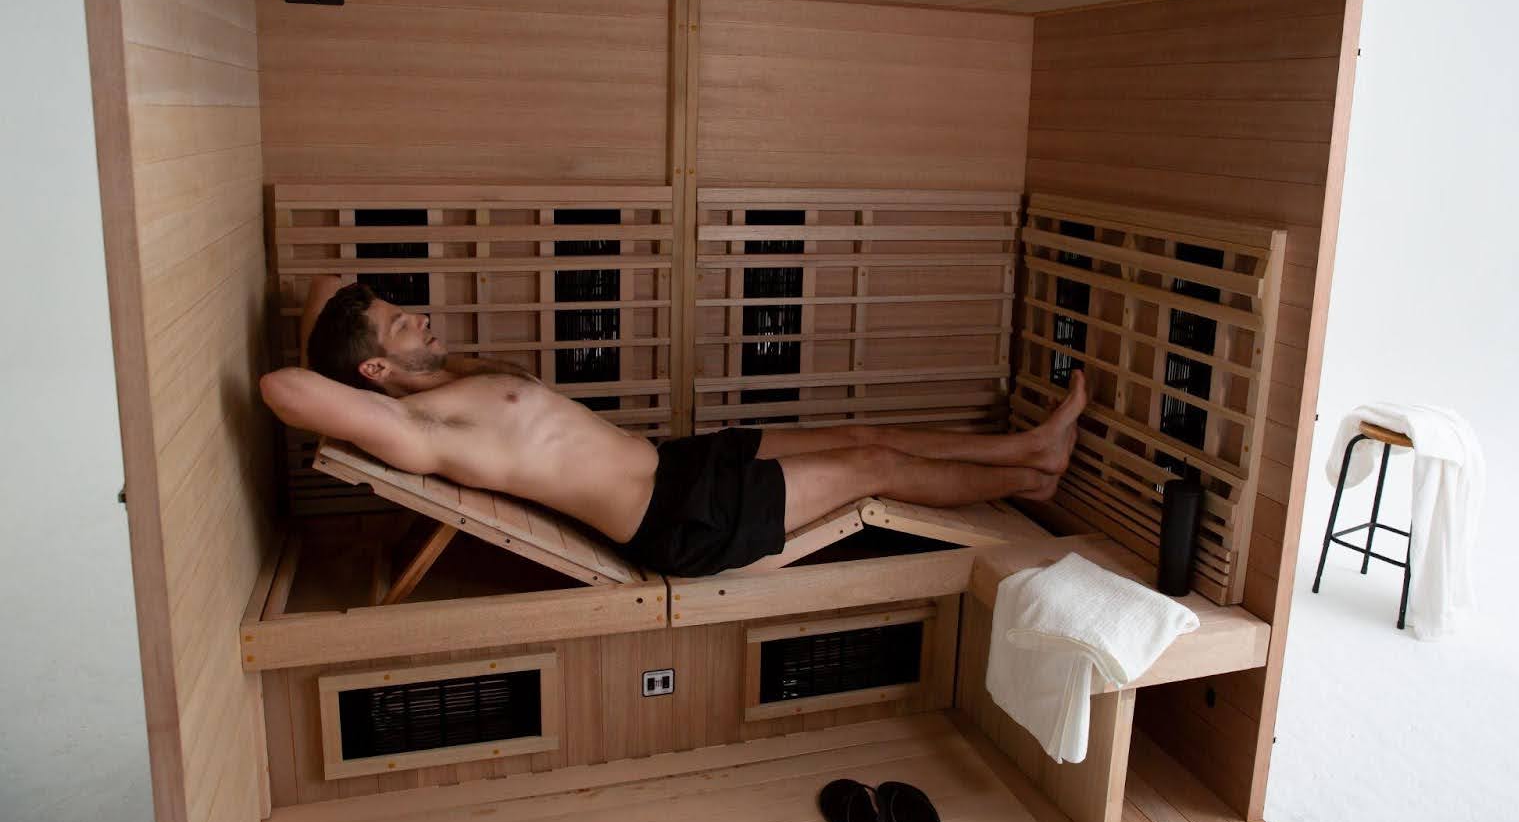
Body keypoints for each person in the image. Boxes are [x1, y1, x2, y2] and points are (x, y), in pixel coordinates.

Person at [259, 276, 1085, 577]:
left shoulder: (450, 378)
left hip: (677, 464)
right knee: (874, 467)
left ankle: (1027, 449)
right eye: (399, 324)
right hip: (679, 522)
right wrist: (361, 372)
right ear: (374, 373)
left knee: (864, 433)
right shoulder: (419, 425)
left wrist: (365, 345)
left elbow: (327, 283)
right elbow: (283, 387)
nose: (418, 317)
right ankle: (1029, 479)